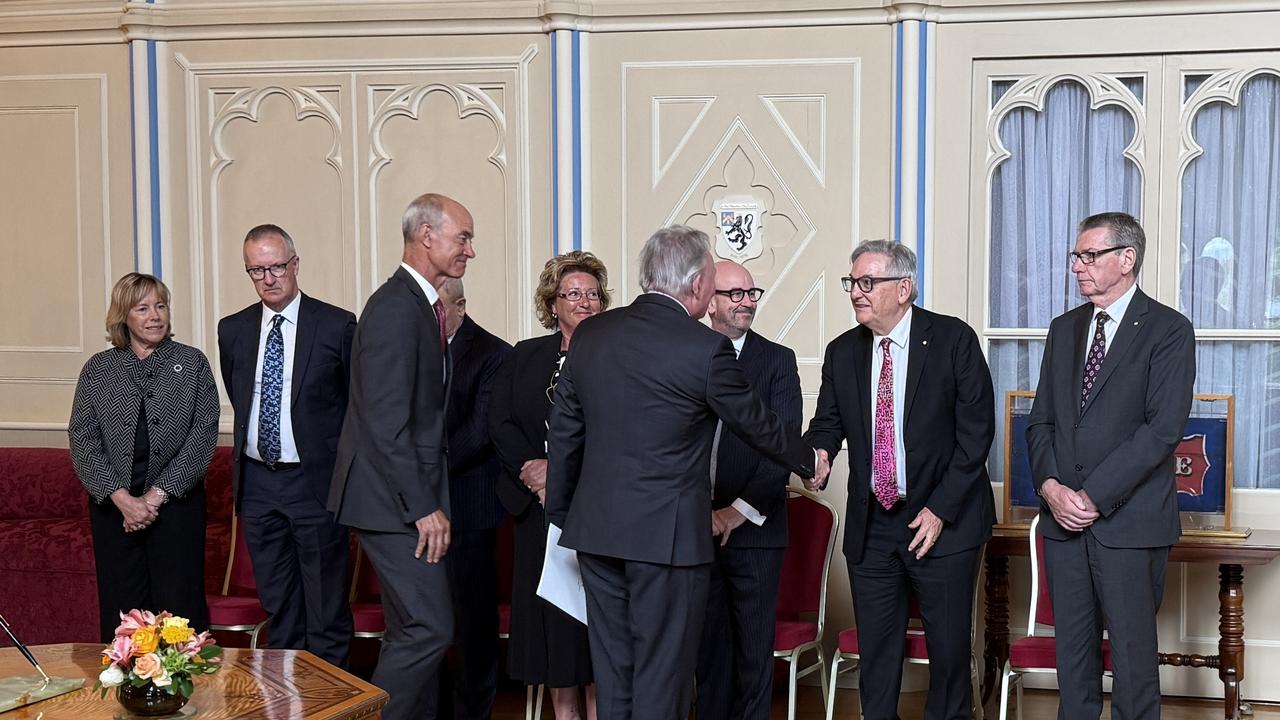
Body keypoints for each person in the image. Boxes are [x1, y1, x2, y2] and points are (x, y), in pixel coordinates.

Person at [544, 225, 825, 720]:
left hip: (596, 534)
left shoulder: (591, 335)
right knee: (664, 672)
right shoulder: (703, 348)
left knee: (614, 671)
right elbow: (757, 422)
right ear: (697, 286)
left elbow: (565, 434)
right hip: (668, 540)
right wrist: (807, 460)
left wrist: (566, 515)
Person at [804, 239, 995, 720]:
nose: (856, 293)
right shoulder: (842, 352)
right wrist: (821, 452)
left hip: (943, 521)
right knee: (877, 654)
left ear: (904, 288)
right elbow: (827, 421)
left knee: (949, 654)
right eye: (853, 282)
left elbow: (977, 437)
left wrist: (941, 509)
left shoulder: (954, 340)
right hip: (875, 523)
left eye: (868, 282)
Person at [1027, 212, 1195, 720]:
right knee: (1073, 664)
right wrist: (1053, 488)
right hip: (1063, 525)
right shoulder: (1064, 329)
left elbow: (1161, 432)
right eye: (1075, 256)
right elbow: (1040, 425)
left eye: (1089, 255)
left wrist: (1093, 498)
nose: (1077, 266)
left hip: (1130, 524)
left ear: (1127, 259)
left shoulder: (1168, 330)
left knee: (1133, 664)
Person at [329, 193, 475, 720]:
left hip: (398, 495)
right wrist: (421, 505)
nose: (470, 250)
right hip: (392, 500)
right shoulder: (395, 307)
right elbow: (384, 422)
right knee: (429, 627)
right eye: (463, 237)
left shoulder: (418, 305)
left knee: (407, 631)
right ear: (427, 236)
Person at [217, 224, 356, 666]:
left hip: (314, 484)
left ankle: (335, 709)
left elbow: (357, 406)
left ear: (295, 265)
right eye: (256, 271)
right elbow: (243, 400)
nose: (269, 278)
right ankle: (287, 703)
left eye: (276, 266)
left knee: (326, 610)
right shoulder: (233, 329)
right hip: (258, 485)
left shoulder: (336, 325)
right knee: (279, 608)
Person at [490, 251, 609, 719]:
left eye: (592, 294)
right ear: (552, 303)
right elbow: (499, 422)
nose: (584, 302)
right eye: (573, 294)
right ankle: (564, 714)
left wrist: (559, 475)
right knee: (553, 630)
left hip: (593, 512)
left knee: (592, 627)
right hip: (535, 515)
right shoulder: (524, 356)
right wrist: (532, 470)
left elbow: (619, 431)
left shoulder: (613, 355)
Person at [69, 272, 218, 642]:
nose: (155, 316)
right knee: (124, 614)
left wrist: (153, 498)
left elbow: (202, 436)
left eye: (160, 306)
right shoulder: (98, 370)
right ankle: (128, 694)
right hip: (114, 512)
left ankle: (186, 695)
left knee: (179, 614)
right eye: (142, 308)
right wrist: (122, 499)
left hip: (175, 507)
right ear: (124, 316)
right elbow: (82, 439)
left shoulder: (192, 363)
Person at [695, 260, 802, 720]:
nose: (746, 302)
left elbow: (784, 441)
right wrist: (702, 513)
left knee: (754, 654)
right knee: (707, 652)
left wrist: (736, 511)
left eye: (751, 293)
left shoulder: (777, 361)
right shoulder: (687, 353)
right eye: (734, 293)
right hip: (693, 526)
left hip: (756, 530)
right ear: (708, 301)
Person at [436, 277, 512, 719]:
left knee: (472, 626)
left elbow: (478, 434)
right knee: (429, 624)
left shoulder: (494, 353)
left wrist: (423, 468)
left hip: (469, 508)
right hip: (420, 509)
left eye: (439, 306)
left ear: (460, 305)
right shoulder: (415, 348)